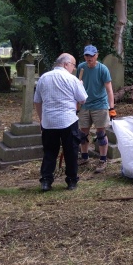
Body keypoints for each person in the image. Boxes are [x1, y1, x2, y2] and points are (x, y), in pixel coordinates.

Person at [33, 53, 88, 191]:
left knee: (49, 152)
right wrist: (80, 85)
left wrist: (41, 119)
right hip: (68, 120)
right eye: (73, 65)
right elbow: (82, 100)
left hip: (49, 121)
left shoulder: (43, 78)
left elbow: (37, 102)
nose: (74, 69)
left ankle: (46, 180)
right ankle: (71, 181)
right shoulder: (72, 79)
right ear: (65, 64)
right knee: (71, 151)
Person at [76, 45, 116, 173]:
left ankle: (102, 160)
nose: (89, 58)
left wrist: (112, 108)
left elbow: (109, 90)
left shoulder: (102, 69)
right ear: (84, 56)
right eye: (87, 55)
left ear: (97, 55)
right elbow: (77, 88)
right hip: (85, 104)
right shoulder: (81, 68)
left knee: (100, 134)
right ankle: (84, 157)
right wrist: (76, 105)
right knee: (83, 133)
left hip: (100, 105)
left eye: (92, 55)